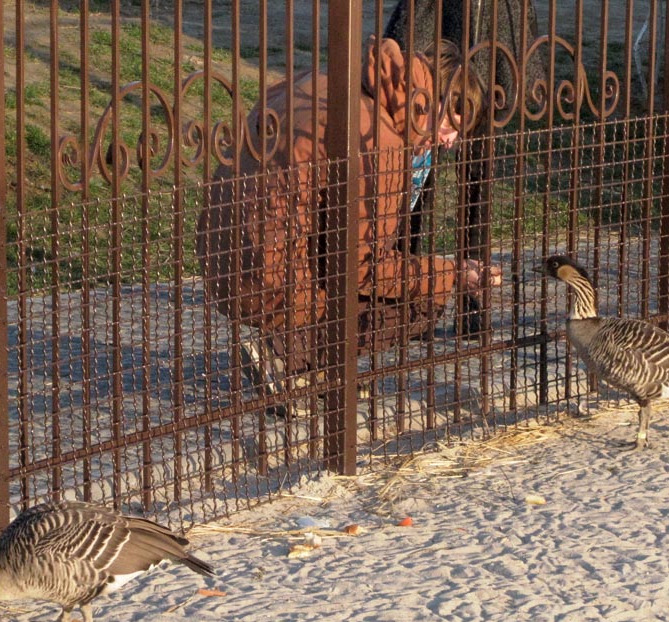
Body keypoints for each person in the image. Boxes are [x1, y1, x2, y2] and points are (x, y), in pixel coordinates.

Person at [196, 36, 501, 411]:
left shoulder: (330, 81)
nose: (452, 142)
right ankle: (285, 356)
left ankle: (313, 367)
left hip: (219, 258)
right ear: (436, 104)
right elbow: (363, 269)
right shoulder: (381, 139)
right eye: (455, 124)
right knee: (427, 295)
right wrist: (451, 272)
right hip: (268, 279)